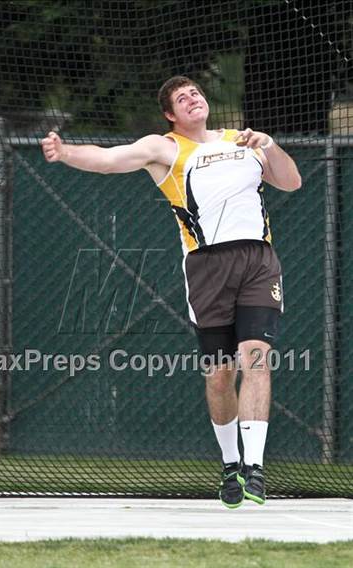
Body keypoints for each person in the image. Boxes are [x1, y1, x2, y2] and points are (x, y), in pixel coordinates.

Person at [41, 76, 302, 508]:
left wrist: (270, 145)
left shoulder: (244, 140)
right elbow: (107, 159)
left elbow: (291, 183)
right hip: (206, 266)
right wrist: (64, 152)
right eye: (183, 99)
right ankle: (231, 465)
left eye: (196, 93)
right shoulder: (165, 149)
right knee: (219, 373)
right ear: (171, 115)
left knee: (257, 356)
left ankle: (255, 469)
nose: (193, 99)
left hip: (259, 260)